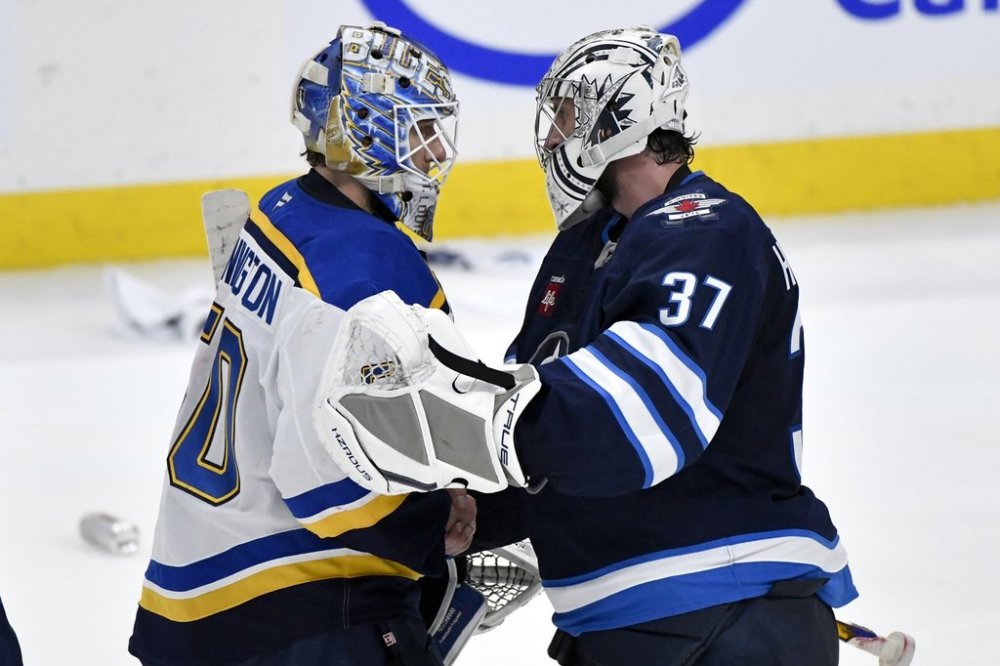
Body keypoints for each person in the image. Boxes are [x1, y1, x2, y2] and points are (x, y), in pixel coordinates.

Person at [469, 26, 860, 665]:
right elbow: (537, 420)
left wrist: (461, 420)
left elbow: (639, 415)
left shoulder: (706, 231)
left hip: (725, 610)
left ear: (621, 117)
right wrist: (474, 504)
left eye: (566, 115)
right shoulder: (583, 246)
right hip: (639, 624)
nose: (549, 139)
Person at [128, 22, 476, 665]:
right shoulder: (362, 264)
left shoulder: (280, 213)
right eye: (419, 128)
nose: (434, 152)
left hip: (196, 598)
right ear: (365, 131)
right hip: (305, 609)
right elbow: (331, 484)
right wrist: (439, 529)